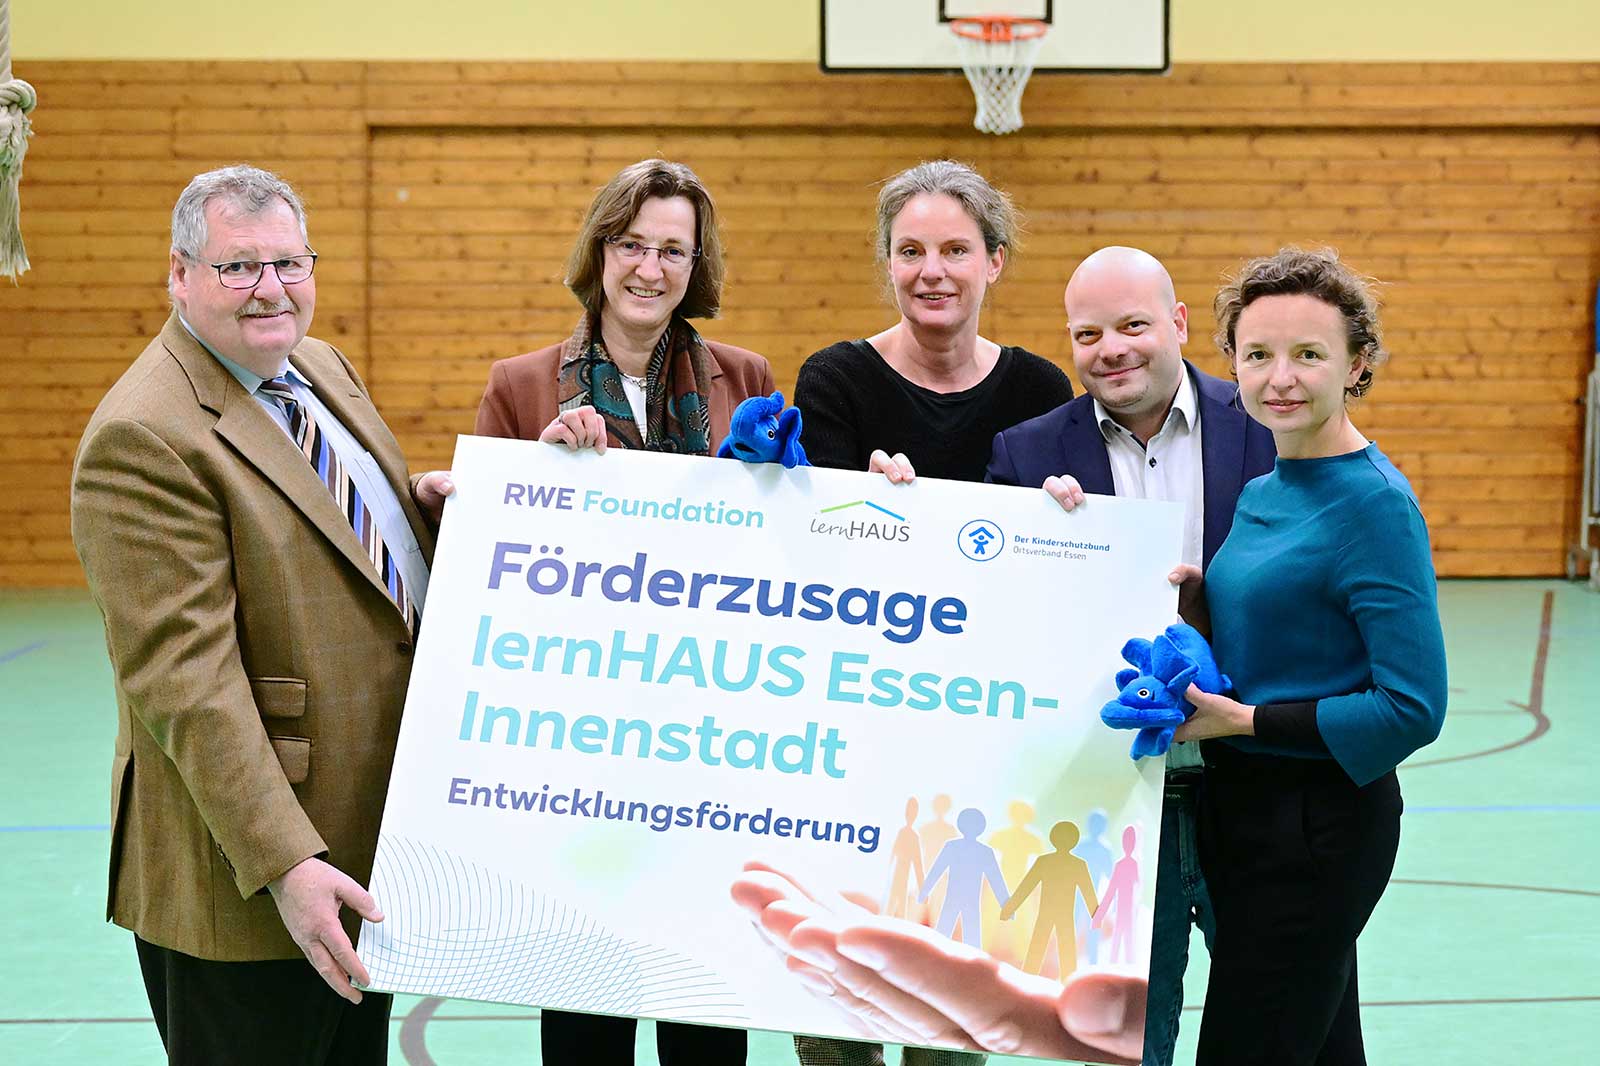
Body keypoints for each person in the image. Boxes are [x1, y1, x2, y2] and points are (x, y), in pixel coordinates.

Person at [70, 165, 452, 1065]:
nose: (271, 289)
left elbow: (342, 540)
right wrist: (286, 863)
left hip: (360, 847)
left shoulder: (313, 366)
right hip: (250, 877)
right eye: (240, 268)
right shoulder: (146, 436)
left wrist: (424, 512)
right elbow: (186, 683)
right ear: (180, 273)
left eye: (289, 262)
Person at [473, 157, 771, 1065]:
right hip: (580, 752)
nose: (651, 267)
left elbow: (781, 560)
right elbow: (485, 566)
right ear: (600, 251)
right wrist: (532, 476)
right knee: (584, 1015)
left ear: (697, 264)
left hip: (711, 744)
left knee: (706, 1015)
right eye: (632, 243)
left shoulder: (746, 377)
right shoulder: (523, 387)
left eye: (673, 249)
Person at [790, 158, 1074, 1066]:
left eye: (955, 249)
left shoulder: (1038, 390)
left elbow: (1050, 576)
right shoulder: (834, 380)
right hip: (850, 730)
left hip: (973, 742)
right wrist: (861, 509)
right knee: (837, 1004)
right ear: (888, 262)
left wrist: (1072, 516)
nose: (932, 271)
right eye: (910, 251)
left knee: (950, 1013)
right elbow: (818, 554)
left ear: (994, 260)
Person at [985, 245, 1276, 1066]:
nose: (1110, 348)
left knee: (1279, 1019)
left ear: (1178, 324)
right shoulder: (1027, 458)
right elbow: (1002, 619)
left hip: (1250, 783)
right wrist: (1037, 544)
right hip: (1114, 795)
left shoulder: (1265, 427)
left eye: (1133, 325)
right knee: (1129, 1044)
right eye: (1088, 333)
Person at [1172, 247, 1448, 1064]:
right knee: (1324, 1050)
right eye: (1257, 354)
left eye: (1308, 354)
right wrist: (1195, 599)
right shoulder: (1265, 487)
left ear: (1356, 363)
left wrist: (1246, 721)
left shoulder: (1376, 507)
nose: (1279, 377)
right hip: (1244, 811)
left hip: (1319, 827)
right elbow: (1280, 624)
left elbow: (1412, 707)